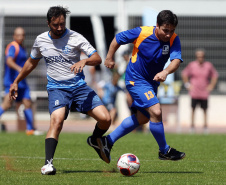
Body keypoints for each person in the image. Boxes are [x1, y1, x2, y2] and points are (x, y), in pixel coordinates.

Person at [9, 6, 112, 175]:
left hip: (79, 88)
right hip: (57, 88)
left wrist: (84, 62)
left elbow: (97, 58)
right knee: (57, 120)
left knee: (106, 119)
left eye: (62, 24)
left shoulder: (75, 37)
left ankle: (95, 140)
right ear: (48, 23)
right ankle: (48, 164)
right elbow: (31, 62)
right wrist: (16, 81)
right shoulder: (41, 40)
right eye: (55, 24)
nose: (59, 27)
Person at [104, 10, 186, 161]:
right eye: (165, 30)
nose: (168, 34)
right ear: (157, 26)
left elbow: (176, 61)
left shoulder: (174, 39)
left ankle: (107, 141)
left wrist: (166, 72)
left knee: (143, 118)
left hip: (151, 83)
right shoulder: (142, 32)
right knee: (156, 110)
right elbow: (118, 39)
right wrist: (109, 57)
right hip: (136, 79)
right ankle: (164, 150)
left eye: (172, 30)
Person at [0, 27, 43, 136]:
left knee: (27, 103)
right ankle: (30, 129)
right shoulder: (13, 47)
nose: (21, 37)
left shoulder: (22, 47)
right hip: (12, 82)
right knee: (6, 104)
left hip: (22, 83)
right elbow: (9, 61)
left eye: (22, 35)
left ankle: (30, 130)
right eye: (18, 35)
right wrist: (20, 69)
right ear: (14, 36)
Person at [181, 48, 218, 133]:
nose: (200, 58)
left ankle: (205, 127)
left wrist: (211, 85)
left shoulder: (208, 65)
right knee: (193, 109)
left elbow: (215, 75)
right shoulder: (192, 65)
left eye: (201, 56)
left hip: (204, 92)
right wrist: (188, 85)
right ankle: (192, 127)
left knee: (205, 109)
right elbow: (184, 74)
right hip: (194, 92)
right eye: (198, 56)